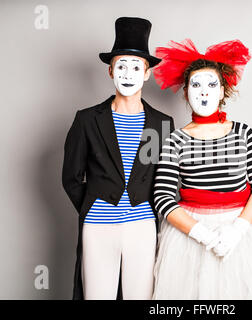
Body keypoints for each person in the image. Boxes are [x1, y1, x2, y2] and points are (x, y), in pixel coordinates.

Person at [151, 39, 252, 299]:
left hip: (242, 233)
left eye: (212, 85)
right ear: (186, 92)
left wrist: (238, 230)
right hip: (191, 236)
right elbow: (162, 197)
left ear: (223, 91)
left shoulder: (244, 133)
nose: (203, 92)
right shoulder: (175, 139)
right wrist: (203, 235)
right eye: (196, 85)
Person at [62, 17, 174, 300]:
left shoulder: (161, 123)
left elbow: (165, 177)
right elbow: (71, 177)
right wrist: (95, 204)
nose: (128, 73)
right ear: (110, 71)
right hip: (98, 226)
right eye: (121, 66)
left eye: (136, 67)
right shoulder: (87, 120)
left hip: (143, 226)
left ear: (147, 73)